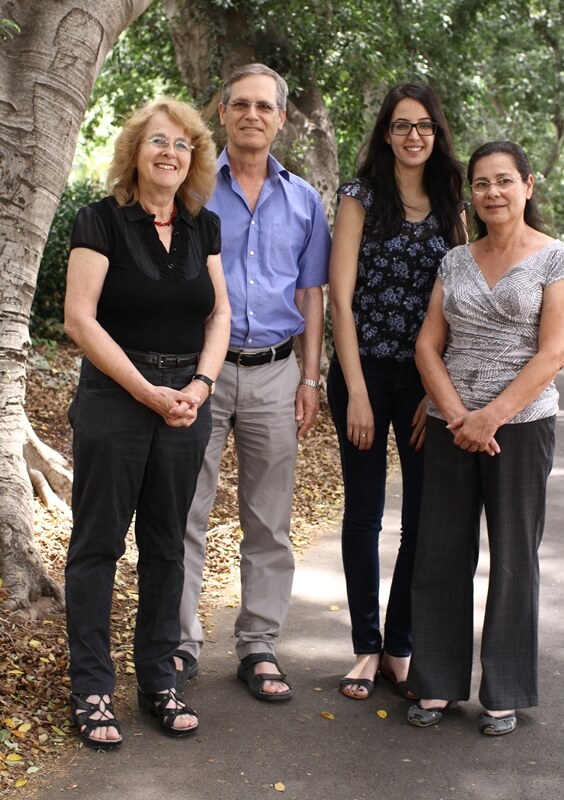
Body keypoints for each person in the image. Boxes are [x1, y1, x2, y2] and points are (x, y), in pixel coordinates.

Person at [63, 97, 231, 748]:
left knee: (166, 546)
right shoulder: (100, 221)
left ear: (193, 160)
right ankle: (93, 688)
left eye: (183, 144)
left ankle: (159, 678)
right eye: (158, 141)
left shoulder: (202, 227)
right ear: (134, 150)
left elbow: (219, 315)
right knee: (98, 545)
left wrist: (198, 385)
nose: (171, 152)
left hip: (185, 403)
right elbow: (80, 319)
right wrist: (148, 392)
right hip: (114, 401)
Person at [406, 141, 564, 735]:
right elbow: (429, 345)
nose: (492, 193)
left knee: (512, 557)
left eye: (504, 181)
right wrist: (457, 414)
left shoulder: (556, 258)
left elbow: (553, 353)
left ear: (527, 186)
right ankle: (436, 684)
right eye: (481, 183)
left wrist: (492, 418)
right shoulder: (455, 261)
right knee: (441, 551)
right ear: (471, 194)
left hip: (522, 428)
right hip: (451, 424)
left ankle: (504, 690)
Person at [176, 64, 331, 701]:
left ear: (281, 118)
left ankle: (259, 644)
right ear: (221, 113)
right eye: (240, 104)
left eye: (264, 106)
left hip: (275, 372)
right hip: (197, 372)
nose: (252, 115)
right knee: (184, 511)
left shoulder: (304, 202)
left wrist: (312, 377)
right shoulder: (190, 189)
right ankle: (178, 645)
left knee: (268, 520)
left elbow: (311, 294)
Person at [327, 82, 466, 700]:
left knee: (422, 519)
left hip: (422, 380)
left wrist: (437, 393)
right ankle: (364, 646)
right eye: (403, 125)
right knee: (363, 514)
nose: (414, 136)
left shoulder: (451, 202)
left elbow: (462, 303)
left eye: (426, 127)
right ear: (386, 132)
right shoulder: (359, 196)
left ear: (436, 136)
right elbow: (340, 297)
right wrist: (356, 388)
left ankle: (399, 646)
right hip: (363, 372)